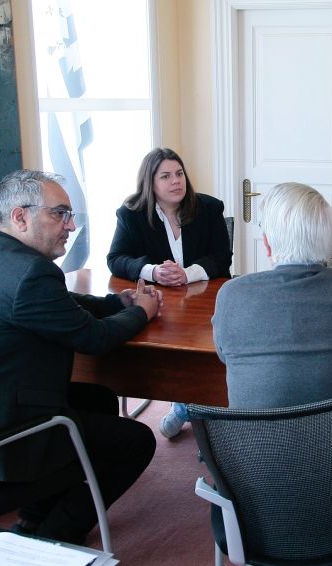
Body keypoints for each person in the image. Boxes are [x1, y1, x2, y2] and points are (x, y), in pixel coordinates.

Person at [0, 170, 163, 545]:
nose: (69, 225)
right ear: (20, 217)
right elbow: (94, 339)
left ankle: (33, 519)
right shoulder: (30, 273)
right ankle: (54, 536)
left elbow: (60, 305)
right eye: (59, 214)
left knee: (98, 398)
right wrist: (143, 311)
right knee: (137, 441)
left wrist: (115, 302)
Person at [212, 182, 332, 408]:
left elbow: (223, 355)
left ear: (267, 244)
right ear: (330, 240)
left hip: (254, 442)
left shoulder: (232, 295)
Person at [107, 147, 232, 438]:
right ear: (150, 183)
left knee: (204, 352)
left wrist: (187, 273)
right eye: (165, 176)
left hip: (204, 303)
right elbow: (116, 258)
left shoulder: (209, 209)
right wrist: (152, 271)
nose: (176, 181)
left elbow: (222, 258)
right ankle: (185, 403)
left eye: (179, 174)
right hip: (161, 305)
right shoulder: (132, 214)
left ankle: (186, 406)